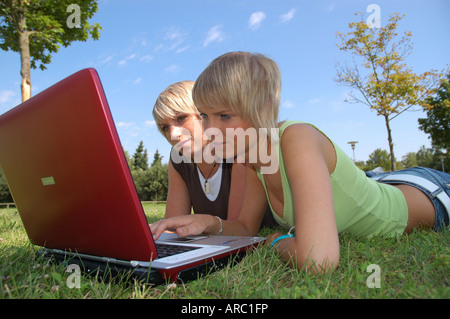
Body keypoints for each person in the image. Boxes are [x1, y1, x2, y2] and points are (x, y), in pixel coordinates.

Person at [150, 52, 450, 273]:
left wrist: (273, 240)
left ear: (261, 108)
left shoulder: (296, 138)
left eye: (225, 115)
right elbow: (244, 227)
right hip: (386, 182)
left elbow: (317, 260)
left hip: (432, 193)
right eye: (204, 116)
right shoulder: (251, 158)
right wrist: (207, 223)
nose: (212, 129)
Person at [152, 80, 275, 230]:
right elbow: (172, 225)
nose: (173, 134)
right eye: (165, 127)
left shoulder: (238, 150)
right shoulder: (178, 159)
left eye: (181, 118)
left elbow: (238, 231)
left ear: (204, 113)